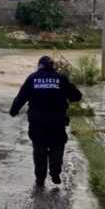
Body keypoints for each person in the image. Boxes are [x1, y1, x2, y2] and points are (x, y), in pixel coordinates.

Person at [9, 55, 82, 186]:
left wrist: (13, 111)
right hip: (57, 123)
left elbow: (21, 97)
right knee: (57, 148)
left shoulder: (32, 78)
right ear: (52, 66)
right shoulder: (61, 78)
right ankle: (55, 172)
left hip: (37, 123)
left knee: (39, 150)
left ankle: (40, 178)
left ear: (40, 65)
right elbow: (76, 96)